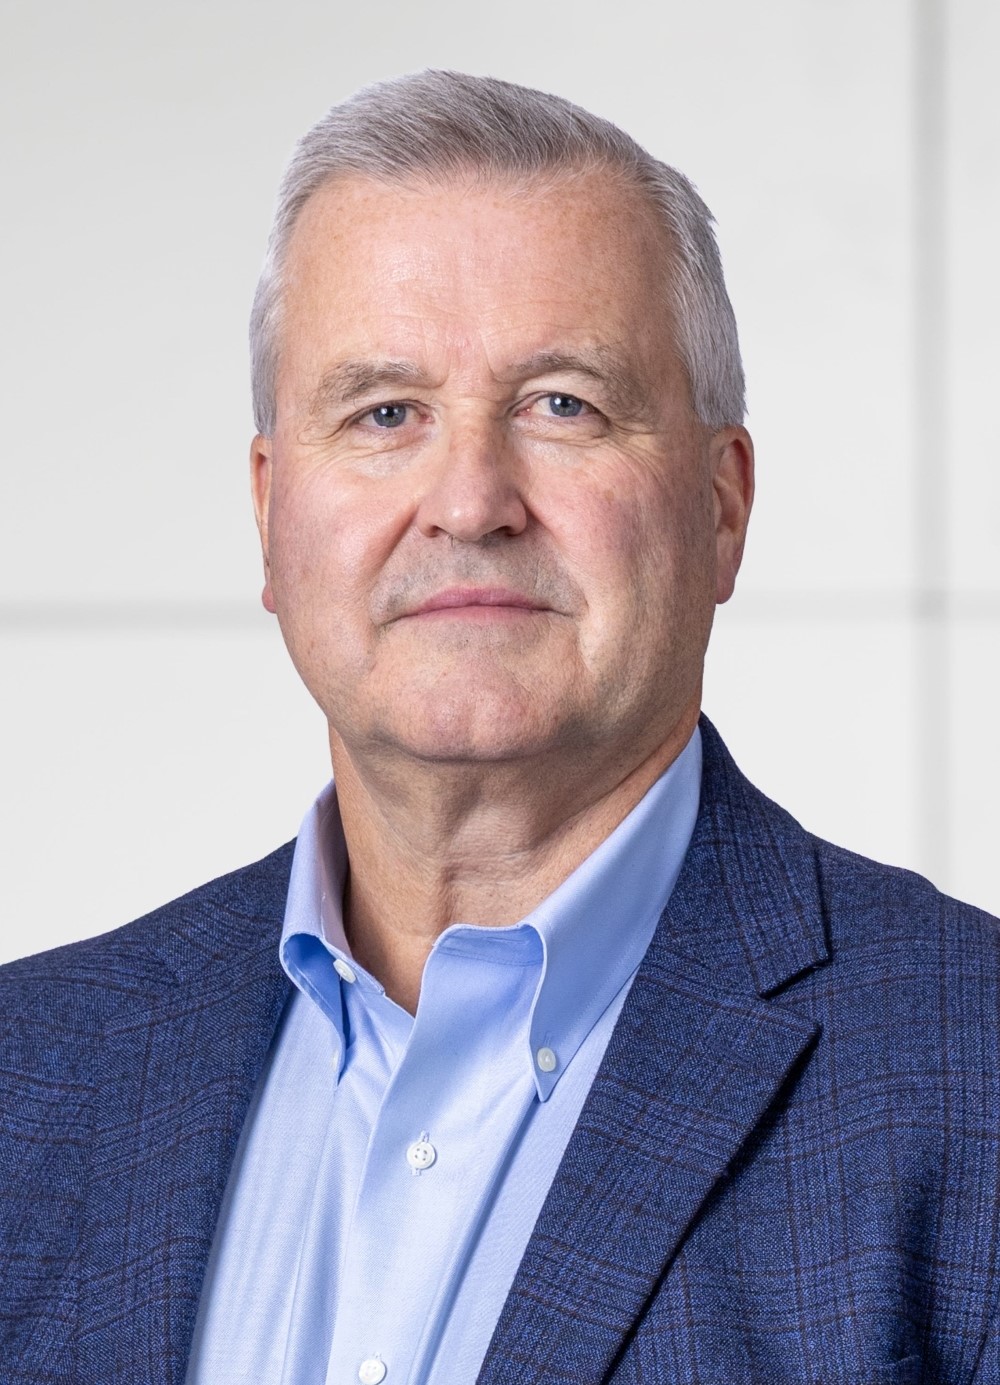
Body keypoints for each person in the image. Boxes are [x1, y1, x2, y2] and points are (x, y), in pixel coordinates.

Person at [1, 69, 998, 1385]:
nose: (470, 501)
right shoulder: (32, 1079)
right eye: (385, 412)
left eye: (562, 404)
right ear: (268, 513)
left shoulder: (966, 1075)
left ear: (721, 507)